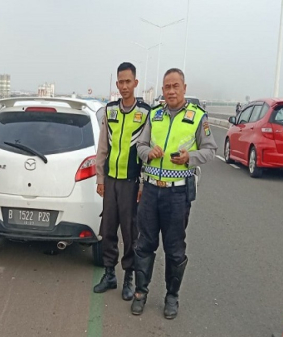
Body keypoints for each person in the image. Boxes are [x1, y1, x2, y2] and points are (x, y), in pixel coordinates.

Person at [131, 68, 217, 318]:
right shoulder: (154, 115)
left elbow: (210, 150)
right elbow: (140, 145)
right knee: (144, 243)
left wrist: (191, 157)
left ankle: (171, 296)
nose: (170, 91)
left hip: (177, 195)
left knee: (174, 248)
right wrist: (148, 154)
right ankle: (140, 292)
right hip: (150, 191)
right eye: (166, 87)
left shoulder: (198, 117)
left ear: (184, 88)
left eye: (175, 86)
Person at [93, 62, 149, 301]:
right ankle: (109, 274)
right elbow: (103, 146)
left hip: (131, 183)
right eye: (121, 82)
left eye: (128, 81)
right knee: (107, 229)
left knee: (130, 232)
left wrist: (144, 184)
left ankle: (128, 277)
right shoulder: (110, 110)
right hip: (111, 181)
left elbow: (147, 150)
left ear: (135, 83)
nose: (124, 86)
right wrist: (100, 177)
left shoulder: (146, 113)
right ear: (116, 84)